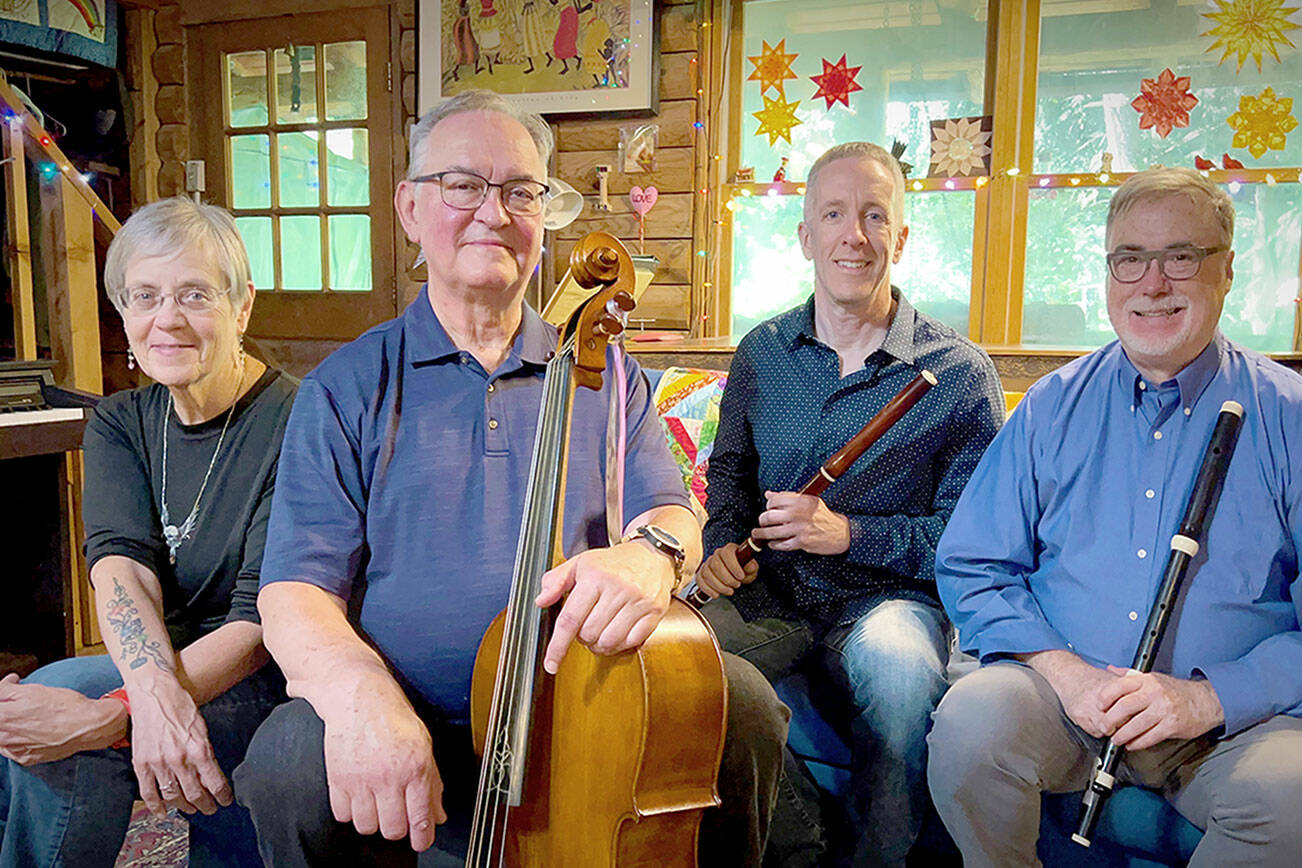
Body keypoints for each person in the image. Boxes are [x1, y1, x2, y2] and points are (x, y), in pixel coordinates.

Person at [232, 89, 788, 867]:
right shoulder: (345, 386)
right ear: (411, 207)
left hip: (580, 709)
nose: (493, 212)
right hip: (415, 711)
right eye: (463, 185)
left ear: (542, 217)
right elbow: (293, 594)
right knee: (289, 764)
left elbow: (674, 512)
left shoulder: (604, 369)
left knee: (745, 711)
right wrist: (361, 696)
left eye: (521, 191)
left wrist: (649, 557)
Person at [929, 166, 1302, 867]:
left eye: (1181, 257)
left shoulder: (1290, 415)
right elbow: (973, 565)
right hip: (1065, 704)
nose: (1153, 284)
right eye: (1130, 259)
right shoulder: (1050, 405)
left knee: (1293, 800)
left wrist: (1209, 699)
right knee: (970, 726)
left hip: (1231, 725)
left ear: (1226, 272)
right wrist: (1068, 675)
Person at [694, 141, 1003, 867]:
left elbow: (969, 541)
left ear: (900, 236)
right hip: (771, 591)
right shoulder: (762, 352)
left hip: (888, 601)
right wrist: (720, 544)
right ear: (807, 236)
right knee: (673, 674)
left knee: (902, 681)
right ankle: (805, 844)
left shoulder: (958, 373)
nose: (853, 235)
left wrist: (848, 534)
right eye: (833, 214)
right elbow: (729, 474)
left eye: (873, 215)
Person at [0, 196, 296, 867]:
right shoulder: (120, 421)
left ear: (242, 305)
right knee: (38, 707)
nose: (167, 320)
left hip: (270, 674)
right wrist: (150, 696)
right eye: (144, 296)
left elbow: (258, 625)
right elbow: (120, 570)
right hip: (164, 663)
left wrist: (116, 713)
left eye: (194, 294)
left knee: (72, 739)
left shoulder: (296, 419)